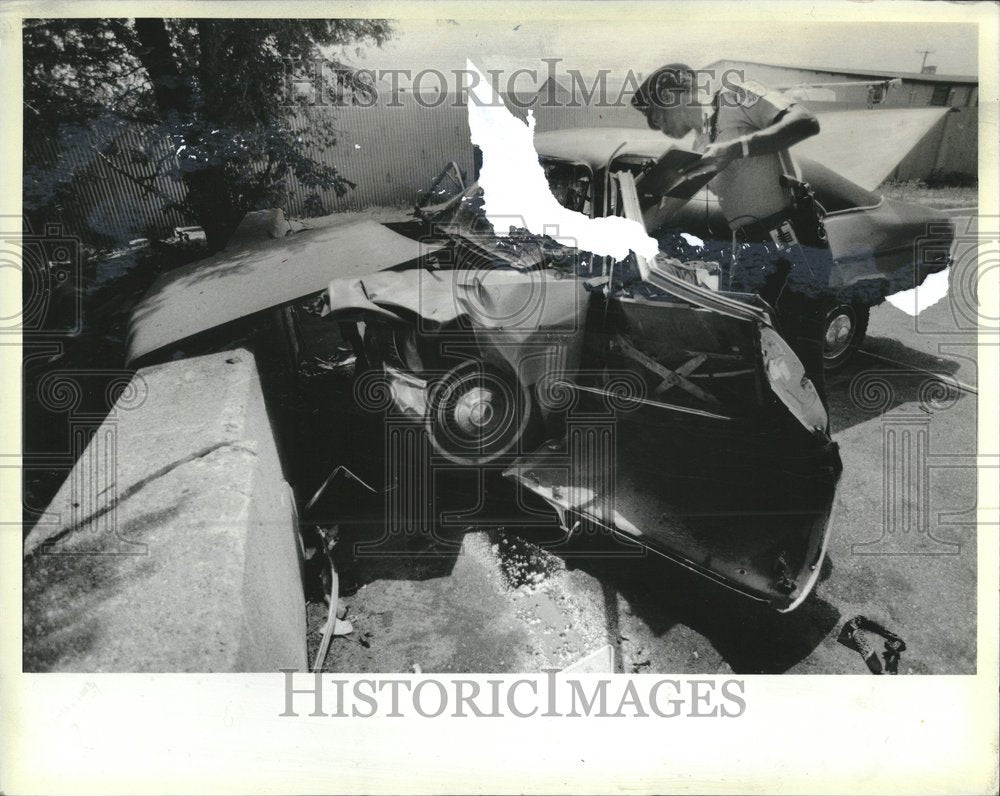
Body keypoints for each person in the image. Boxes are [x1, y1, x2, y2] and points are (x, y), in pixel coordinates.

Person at [632, 63, 833, 406]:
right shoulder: (699, 143)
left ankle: (820, 456)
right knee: (760, 360)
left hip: (792, 241)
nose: (656, 125)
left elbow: (804, 121)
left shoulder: (736, 96)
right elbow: (669, 207)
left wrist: (734, 148)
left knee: (801, 361)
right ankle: (777, 450)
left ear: (672, 96)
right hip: (754, 253)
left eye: (655, 114)